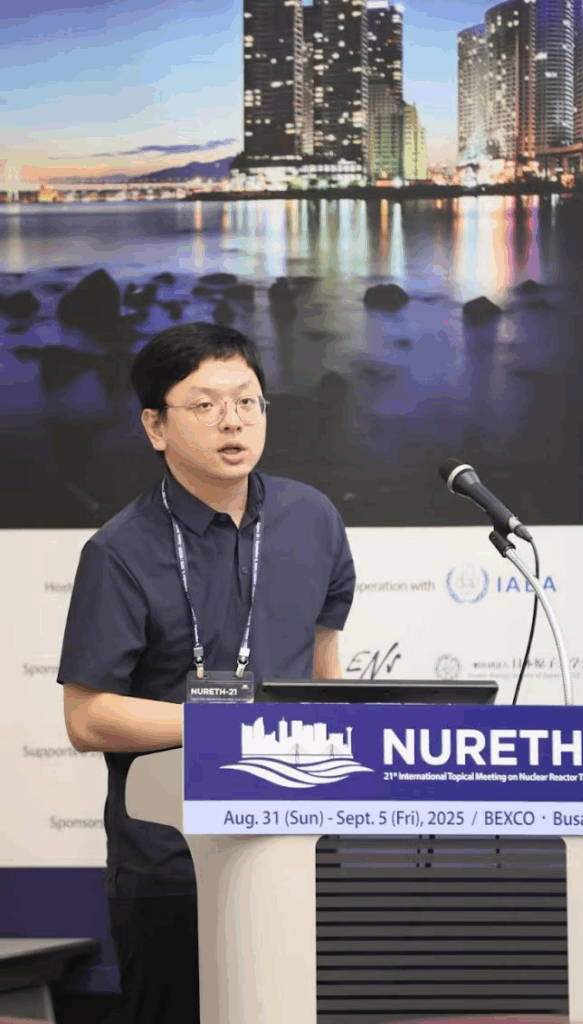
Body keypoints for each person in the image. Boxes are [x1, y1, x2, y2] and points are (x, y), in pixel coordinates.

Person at [57, 321, 356, 1024]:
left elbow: (324, 672)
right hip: (172, 864)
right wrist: (228, 726)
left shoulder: (312, 519)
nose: (232, 421)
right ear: (155, 427)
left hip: (297, 846)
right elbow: (87, 717)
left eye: (247, 401)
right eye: (205, 404)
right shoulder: (119, 551)